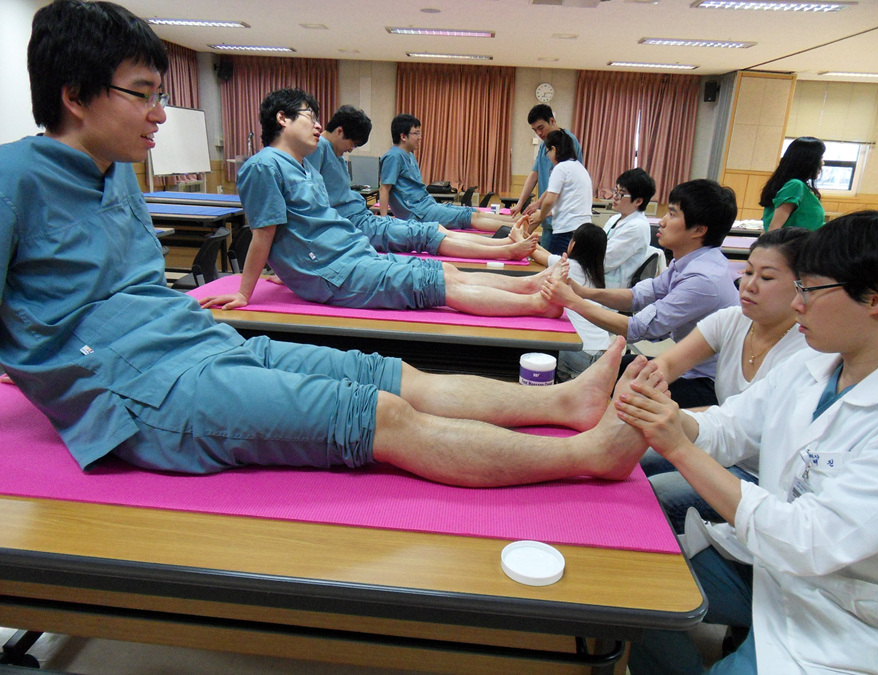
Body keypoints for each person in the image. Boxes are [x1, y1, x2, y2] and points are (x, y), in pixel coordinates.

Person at [1, 0, 664, 487]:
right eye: (142, 94)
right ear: (75, 95)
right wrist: (46, 362)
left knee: (389, 374)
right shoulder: (14, 180)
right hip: (146, 389)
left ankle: (562, 401)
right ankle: (585, 455)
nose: (158, 113)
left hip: (196, 340)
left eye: (160, 95)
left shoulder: (116, 171)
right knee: (382, 415)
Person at [615, 211, 878, 674]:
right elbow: (730, 427)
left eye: (811, 290)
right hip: (766, 566)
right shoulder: (813, 366)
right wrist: (668, 416)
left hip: (843, 615)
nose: (798, 305)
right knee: (629, 582)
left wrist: (678, 446)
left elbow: (807, 540)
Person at [199, 89, 558, 318]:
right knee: (438, 286)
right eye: (310, 117)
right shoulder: (263, 166)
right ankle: (536, 305)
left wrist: (286, 269)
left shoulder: (302, 166)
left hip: (351, 255)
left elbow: (302, 227)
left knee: (445, 271)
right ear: (283, 119)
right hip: (335, 272)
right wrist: (245, 292)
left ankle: (529, 285)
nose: (319, 126)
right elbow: (264, 233)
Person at [641, 227, 812, 532]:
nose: (749, 286)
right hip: (721, 442)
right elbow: (667, 363)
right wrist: (644, 385)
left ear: (803, 287)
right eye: (748, 272)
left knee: (657, 493)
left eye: (767, 278)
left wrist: (665, 416)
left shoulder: (806, 351)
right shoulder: (733, 320)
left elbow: (746, 425)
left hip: (757, 474)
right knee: (640, 457)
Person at [541, 179, 741, 408]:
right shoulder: (688, 262)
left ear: (699, 230)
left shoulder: (703, 279)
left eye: (672, 214)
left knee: (624, 390)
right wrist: (584, 293)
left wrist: (573, 301)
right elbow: (638, 296)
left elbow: (637, 328)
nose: (662, 221)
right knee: (618, 366)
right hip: (688, 367)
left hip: (708, 383)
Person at [308, 105, 537, 261]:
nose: (351, 149)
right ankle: (507, 248)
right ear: (340, 131)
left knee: (441, 227)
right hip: (372, 221)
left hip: (368, 218)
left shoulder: (333, 152)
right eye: (353, 144)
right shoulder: (320, 149)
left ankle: (508, 240)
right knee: (430, 233)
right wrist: (384, 217)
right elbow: (313, 202)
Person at [378, 114, 514, 232]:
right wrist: (384, 222)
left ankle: (518, 222)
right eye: (416, 133)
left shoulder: (409, 155)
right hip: (417, 213)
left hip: (426, 206)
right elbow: (384, 188)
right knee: (469, 217)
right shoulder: (393, 157)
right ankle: (518, 228)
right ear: (403, 136)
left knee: (473, 211)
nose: (420, 137)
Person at [528, 224, 613, 381]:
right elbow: (547, 255)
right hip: (604, 352)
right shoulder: (596, 274)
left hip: (580, 352)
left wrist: (520, 238)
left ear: (573, 244)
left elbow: (537, 254)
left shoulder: (568, 266)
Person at [509, 104, 584, 250]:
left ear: (552, 121)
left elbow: (560, 183)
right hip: (548, 217)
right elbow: (534, 174)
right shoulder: (545, 145)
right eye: (535, 130)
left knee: (552, 258)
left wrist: (539, 203)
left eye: (541, 127)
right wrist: (520, 203)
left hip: (562, 220)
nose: (539, 133)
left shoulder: (568, 142)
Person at [523, 130, 593, 255]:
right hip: (583, 231)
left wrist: (541, 215)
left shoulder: (561, 168)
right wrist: (546, 214)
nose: (549, 157)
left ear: (554, 149)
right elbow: (569, 205)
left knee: (554, 264)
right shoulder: (579, 167)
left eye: (548, 152)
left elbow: (549, 200)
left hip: (565, 231)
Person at [602, 168, 656, 289]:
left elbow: (604, 262)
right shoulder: (615, 218)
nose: (615, 197)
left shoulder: (637, 227)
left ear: (638, 201)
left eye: (621, 194)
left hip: (612, 287)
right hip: (599, 276)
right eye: (615, 191)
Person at [759, 136, 827, 232]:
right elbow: (773, 229)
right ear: (808, 161)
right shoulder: (795, 185)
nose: (823, 163)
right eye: (821, 158)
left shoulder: (799, 186)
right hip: (793, 242)